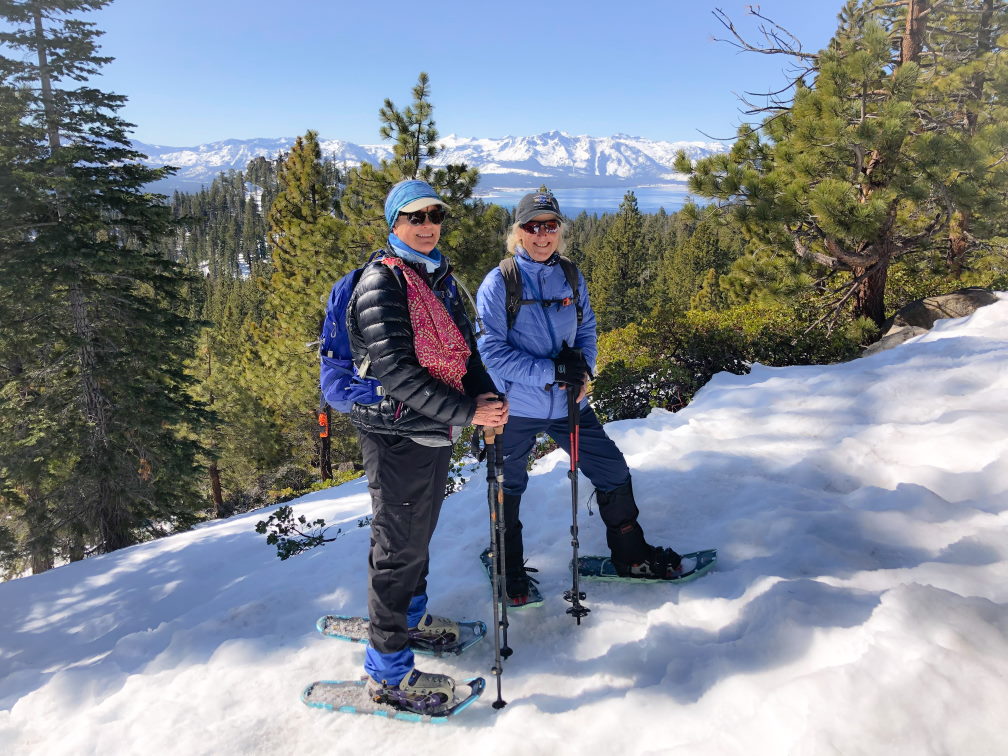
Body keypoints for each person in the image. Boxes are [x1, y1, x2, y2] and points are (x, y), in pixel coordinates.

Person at [475, 191, 687, 605]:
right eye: (532, 226)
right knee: (508, 484)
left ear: (560, 230)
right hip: (516, 407)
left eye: (550, 225)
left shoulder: (570, 275)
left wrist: (584, 370)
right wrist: (553, 373)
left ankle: (632, 557)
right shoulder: (500, 281)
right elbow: (491, 352)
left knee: (611, 470)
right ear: (517, 232)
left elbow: (587, 328)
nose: (542, 235)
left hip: (569, 406)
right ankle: (507, 566)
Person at [347, 179, 508, 712]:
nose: (426, 226)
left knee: (416, 536)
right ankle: (386, 674)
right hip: (395, 435)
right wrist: (470, 412)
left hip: (430, 431)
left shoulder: (437, 277)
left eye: (433, 217)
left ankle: (410, 622)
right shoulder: (381, 283)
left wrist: (486, 395)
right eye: (414, 218)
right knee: (397, 549)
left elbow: (465, 352)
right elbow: (395, 372)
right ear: (394, 223)